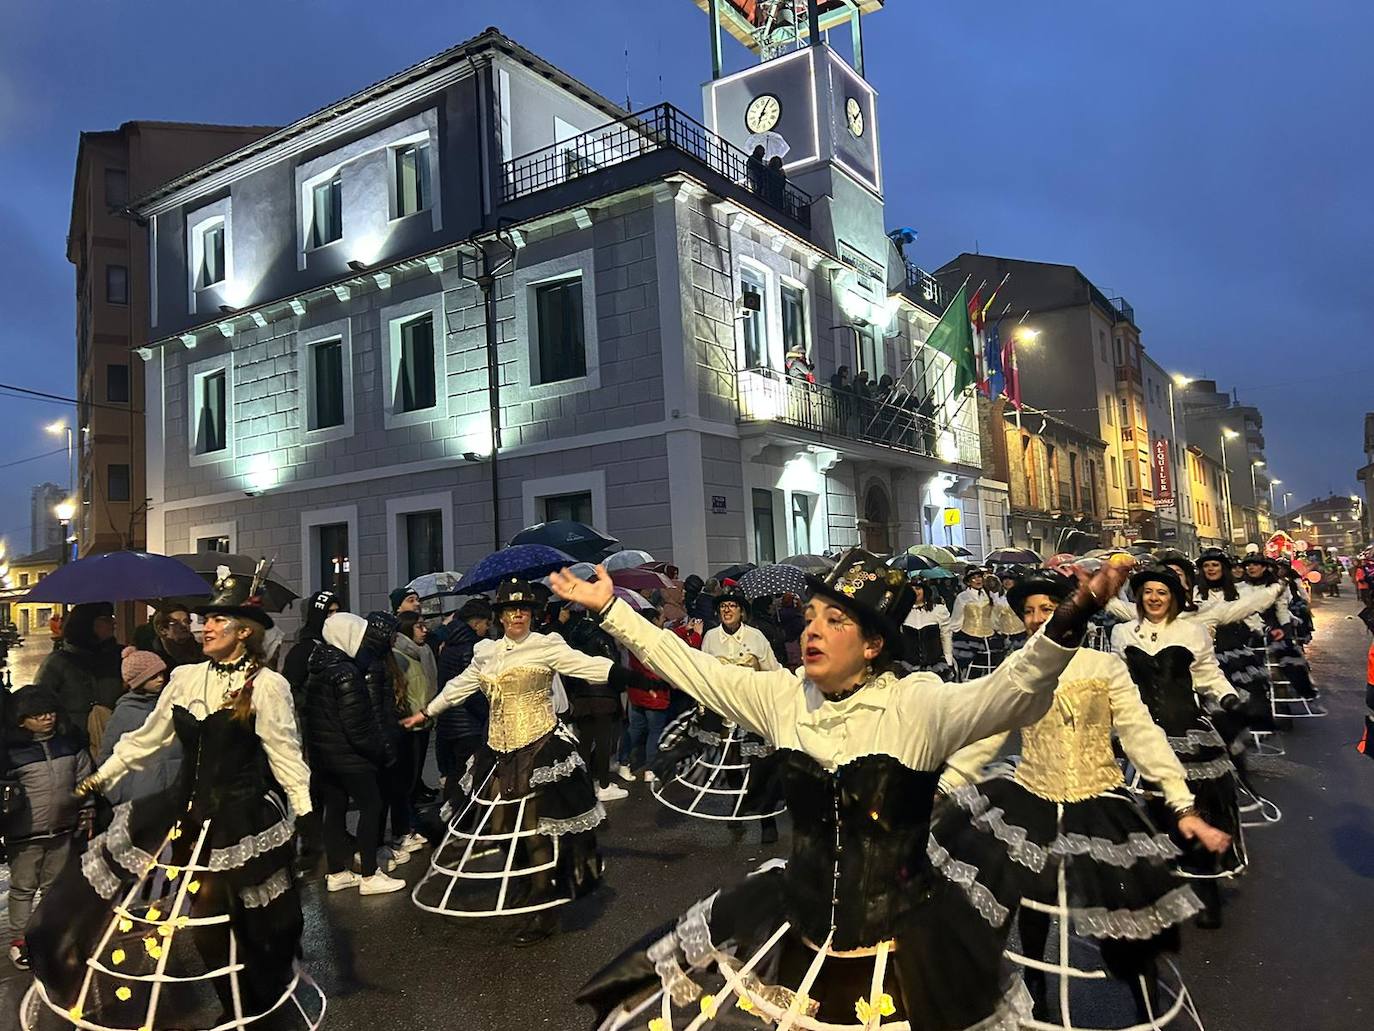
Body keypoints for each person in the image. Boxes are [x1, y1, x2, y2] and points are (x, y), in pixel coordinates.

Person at [553, 548, 1128, 1029]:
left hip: (904, 946)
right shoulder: (782, 696)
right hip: (802, 927)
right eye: (810, 617)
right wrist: (609, 608)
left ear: (873, 644)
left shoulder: (918, 703)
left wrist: (1075, 611)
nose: (812, 631)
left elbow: (1013, 689)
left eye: (835, 621)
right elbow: (689, 667)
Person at [26, 575, 324, 1028]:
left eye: (217, 620)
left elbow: (286, 756)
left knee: (245, 923)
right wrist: (96, 782)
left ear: (245, 631)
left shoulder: (267, 686)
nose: (204, 627)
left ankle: (253, 1004)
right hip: (184, 812)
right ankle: (238, 1004)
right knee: (199, 923)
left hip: (240, 819)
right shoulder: (185, 678)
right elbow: (145, 740)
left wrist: (305, 814)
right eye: (204, 619)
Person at [934, 572, 1230, 1025]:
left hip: (1098, 798)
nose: (1035, 620)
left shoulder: (1103, 665)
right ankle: (1036, 994)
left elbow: (1139, 733)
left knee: (1128, 913)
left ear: (1068, 613)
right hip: (1031, 793)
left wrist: (1181, 802)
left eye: (1046, 610)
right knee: (1024, 897)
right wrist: (944, 788)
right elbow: (985, 737)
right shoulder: (1018, 668)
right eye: (1028, 612)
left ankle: (1142, 1001)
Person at [406, 578, 632, 945]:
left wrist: (631, 677)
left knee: (536, 830)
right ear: (499, 616)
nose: (517, 616)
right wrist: (427, 711)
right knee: (501, 827)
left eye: (523, 610)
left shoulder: (546, 646)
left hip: (540, 747)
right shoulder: (487, 652)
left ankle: (543, 910)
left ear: (531, 614)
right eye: (510, 610)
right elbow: (460, 686)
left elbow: (586, 665)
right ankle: (527, 887)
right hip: (497, 751)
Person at [1111, 566, 1248, 929]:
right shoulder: (1123, 632)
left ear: (1174, 598)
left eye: (1162, 592)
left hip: (1186, 730)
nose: (1154, 598)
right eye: (1148, 592)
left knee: (1199, 809)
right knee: (1146, 815)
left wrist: (1229, 698)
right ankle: (1158, 892)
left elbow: (1207, 675)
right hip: (1140, 732)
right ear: (1138, 597)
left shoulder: (1192, 631)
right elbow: (1118, 682)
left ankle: (1207, 894)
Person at [306, 611, 407, 894]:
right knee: (371, 807)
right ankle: (370, 874)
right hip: (350, 757)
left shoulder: (319, 668)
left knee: (334, 811)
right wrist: (381, 752)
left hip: (325, 758)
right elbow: (357, 725)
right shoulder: (347, 673)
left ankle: (337, 872)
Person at [4, 686, 94, 971]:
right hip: (24, 833)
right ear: (21, 720)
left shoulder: (69, 744)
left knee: (54, 887)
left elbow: (85, 779)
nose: (47, 718)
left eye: (50, 712)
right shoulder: (10, 752)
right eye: (38, 714)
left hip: (63, 829)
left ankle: (51, 934)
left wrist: (87, 809)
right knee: (23, 888)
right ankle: (21, 941)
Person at [554, 600, 629, 803]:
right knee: (604, 741)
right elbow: (612, 665)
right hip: (603, 695)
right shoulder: (601, 636)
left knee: (585, 741)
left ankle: (585, 783)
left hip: (581, 696)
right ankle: (603, 785)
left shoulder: (573, 635)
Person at [95, 648, 181, 806]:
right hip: (139, 795)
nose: (160, 679)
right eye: (152, 676)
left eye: (161, 674)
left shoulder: (172, 704)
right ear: (138, 681)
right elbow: (108, 754)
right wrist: (119, 793)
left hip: (174, 789)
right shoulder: (125, 713)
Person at [35, 601, 123, 752]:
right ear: (87, 624)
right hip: (72, 745)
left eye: (112, 617)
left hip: (116, 741)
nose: (113, 623)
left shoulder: (119, 656)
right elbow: (40, 701)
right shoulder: (58, 662)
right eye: (106, 619)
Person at [434, 598, 493, 807]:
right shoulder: (471, 648)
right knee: (468, 775)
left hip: (448, 721)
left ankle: (448, 818)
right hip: (468, 724)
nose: (488, 629)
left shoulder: (449, 644)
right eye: (487, 623)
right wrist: (488, 715)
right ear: (476, 623)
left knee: (455, 774)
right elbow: (473, 690)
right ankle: (457, 821)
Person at [617, 607, 674, 782]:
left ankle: (623, 763)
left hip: (636, 693)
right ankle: (651, 769)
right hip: (655, 693)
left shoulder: (633, 641)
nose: (664, 620)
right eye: (661, 617)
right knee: (654, 732)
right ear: (654, 621)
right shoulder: (656, 642)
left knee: (635, 729)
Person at [395, 610, 439, 806]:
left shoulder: (424, 651)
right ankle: (409, 815)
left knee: (418, 766)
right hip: (410, 721)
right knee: (408, 772)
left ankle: (415, 800)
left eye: (425, 625)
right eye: (419, 627)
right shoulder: (400, 655)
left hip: (426, 717)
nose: (424, 630)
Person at [281, 589, 341, 708]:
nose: (335, 617)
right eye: (330, 612)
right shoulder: (303, 650)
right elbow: (289, 690)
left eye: (338, 611)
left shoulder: (342, 644)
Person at [951, 568, 1006, 679]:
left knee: (990, 672)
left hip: (989, 637)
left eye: (979, 577)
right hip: (969, 637)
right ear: (968, 582)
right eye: (974, 578)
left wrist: (999, 630)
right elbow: (956, 620)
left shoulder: (989, 595)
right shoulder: (962, 597)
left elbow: (993, 616)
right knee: (970, 672)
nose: (977, 580)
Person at [901, 578, 954, 680]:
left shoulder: (938, 610)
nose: (915, 592)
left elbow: (945, 636)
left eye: (918, 588)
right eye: (910, 589)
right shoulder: (901, 612)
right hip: (909, 666)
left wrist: (949, 660)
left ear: (925, 590)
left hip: (935, 666)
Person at [148, 605, 203, 669]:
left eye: (186, 621)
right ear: (162, 630)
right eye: (176, 623)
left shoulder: (202, 652)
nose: (184, 625)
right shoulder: (153, 660)